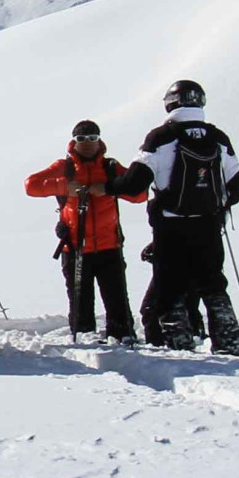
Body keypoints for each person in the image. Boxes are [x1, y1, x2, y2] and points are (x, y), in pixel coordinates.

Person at [98, 79, 239, 354]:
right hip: (209, 225)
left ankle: (179, 344)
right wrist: (216, 207)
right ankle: (227, 340)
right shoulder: (218, 138)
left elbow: (134, 183)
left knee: (170, 286)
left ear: (170, 104)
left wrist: (108, 185)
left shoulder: (161, 137)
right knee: (213, 282)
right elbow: (238, 186)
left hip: (171, 226)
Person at [25, 120, 144, 342]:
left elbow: (140, 194)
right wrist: (63, 186)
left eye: (92, 138)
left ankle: (123, 338)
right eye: (82, 139)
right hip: (75, 246)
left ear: (99, 140)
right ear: (73, 142)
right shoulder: (65, 166)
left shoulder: (110, 167)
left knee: (117, 299)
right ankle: (84, 340)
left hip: (110, 246)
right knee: (80, 301)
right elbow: (30, 185)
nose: (88, 143)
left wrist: (109, 188)